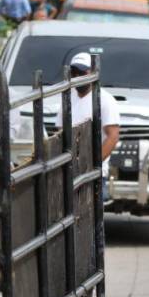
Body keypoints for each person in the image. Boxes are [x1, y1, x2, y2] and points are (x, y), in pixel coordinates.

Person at [59, 53, 120, 192]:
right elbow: (59, 132)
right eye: (74, 72)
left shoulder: (105, 99)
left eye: (82, 72)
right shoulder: (66, 97)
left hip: (92, 173)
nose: (77, 76)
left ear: (92, 73)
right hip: (68, 170)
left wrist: (93, 164)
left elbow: (113, 136)